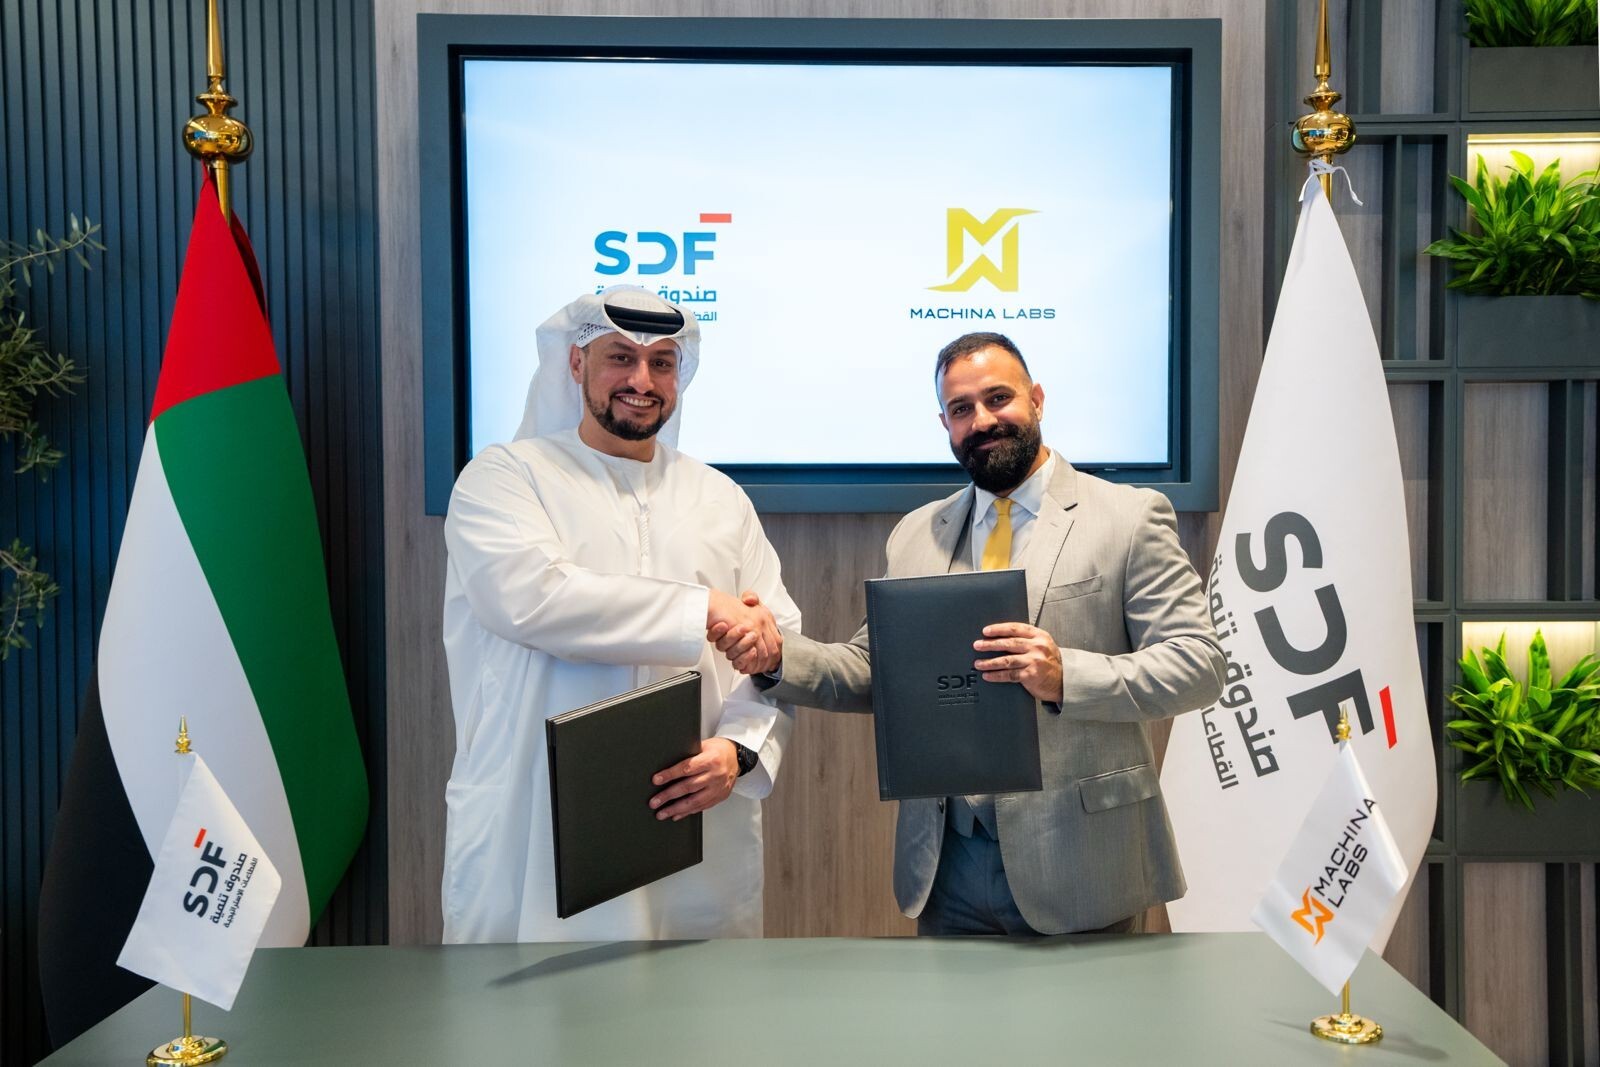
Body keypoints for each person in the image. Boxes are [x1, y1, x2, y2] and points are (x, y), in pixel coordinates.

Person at [716, 332, 1224, 936]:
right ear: (945, 424)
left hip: (1084, 861)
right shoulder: (915, 534)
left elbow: (1198, 664)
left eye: (998, 398)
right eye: (961, 409)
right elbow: (878, 671)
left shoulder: (1129, 517)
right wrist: (778, 656)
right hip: (945, 867)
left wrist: (1066, 675)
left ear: (1037, 399)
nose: (982, 421)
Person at [441, 286, 799, 943]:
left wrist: (740, 750)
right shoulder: (504, 478)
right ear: (576, 362)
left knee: (700, 1005)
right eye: (620, 358)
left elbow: (779, 646)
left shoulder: (721, 498)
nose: (642, 380)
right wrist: (703, 609)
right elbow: (535, 598)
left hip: (695, 824)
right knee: (541, 1005)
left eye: (662, 362)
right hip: (540, 822)